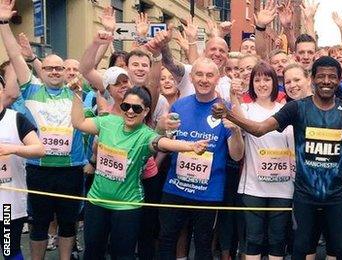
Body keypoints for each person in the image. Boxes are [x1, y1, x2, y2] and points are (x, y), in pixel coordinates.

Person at [212, 56, 342, 260]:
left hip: (336, 195)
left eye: (332, 76)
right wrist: (228, 115)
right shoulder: (297, 108)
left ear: (338, 80)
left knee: (341, 249)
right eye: (321, 76)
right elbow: (259, 129)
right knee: (301, 248)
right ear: (312, 78)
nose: (326, 81)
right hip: (304, 195)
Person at [70, 85, 207, 259]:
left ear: (146, 111)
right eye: (126, 106)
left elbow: (162, 143)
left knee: (122, 255)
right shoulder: (108, 122)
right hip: (96, 202)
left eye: (136, 108)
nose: (130, 112)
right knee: (92, 253)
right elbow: (79, 123)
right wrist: (76, 94)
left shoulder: (145, 135)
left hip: (127, 207)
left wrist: (190, 146)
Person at [0, 1, 87, 258]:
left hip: (71, 170)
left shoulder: (77, 93)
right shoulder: (32, 89)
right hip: (39, 171)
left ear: (65, 72)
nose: (54, 71)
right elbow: (15, 56)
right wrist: (4, 24)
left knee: (68, 224)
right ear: (42, 70)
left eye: (59, 68)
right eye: (49, 68)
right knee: (38, 225)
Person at [158, 57, 244, 260]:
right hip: (175, 187)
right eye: (199, 74)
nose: (204, 79)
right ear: (191, 77)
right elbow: (168, 141)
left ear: (217, 79)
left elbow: (237, 155)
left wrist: (237, 131)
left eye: (209, 75)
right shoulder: (179, 106)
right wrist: (163, 129)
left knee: (203, 243)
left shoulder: (227, 109)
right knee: (167, 238)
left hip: (208, 192)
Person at [234, 62, 294, 260]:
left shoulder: (286, 110)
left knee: (277, 239)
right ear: (251, 83)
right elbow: (236, 124)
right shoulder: (245, 108)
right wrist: (234, 96)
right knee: (253, 239)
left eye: (267, 79)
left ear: (274, 82)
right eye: (257, 79)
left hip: (283, 187)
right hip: (253, 187)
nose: (262, 84)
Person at [0, 74, 46, 260]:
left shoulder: (16, 119)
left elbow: (39, 149)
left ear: (3, 91)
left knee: (9, 248)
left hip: (8, 204)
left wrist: (12, 148)